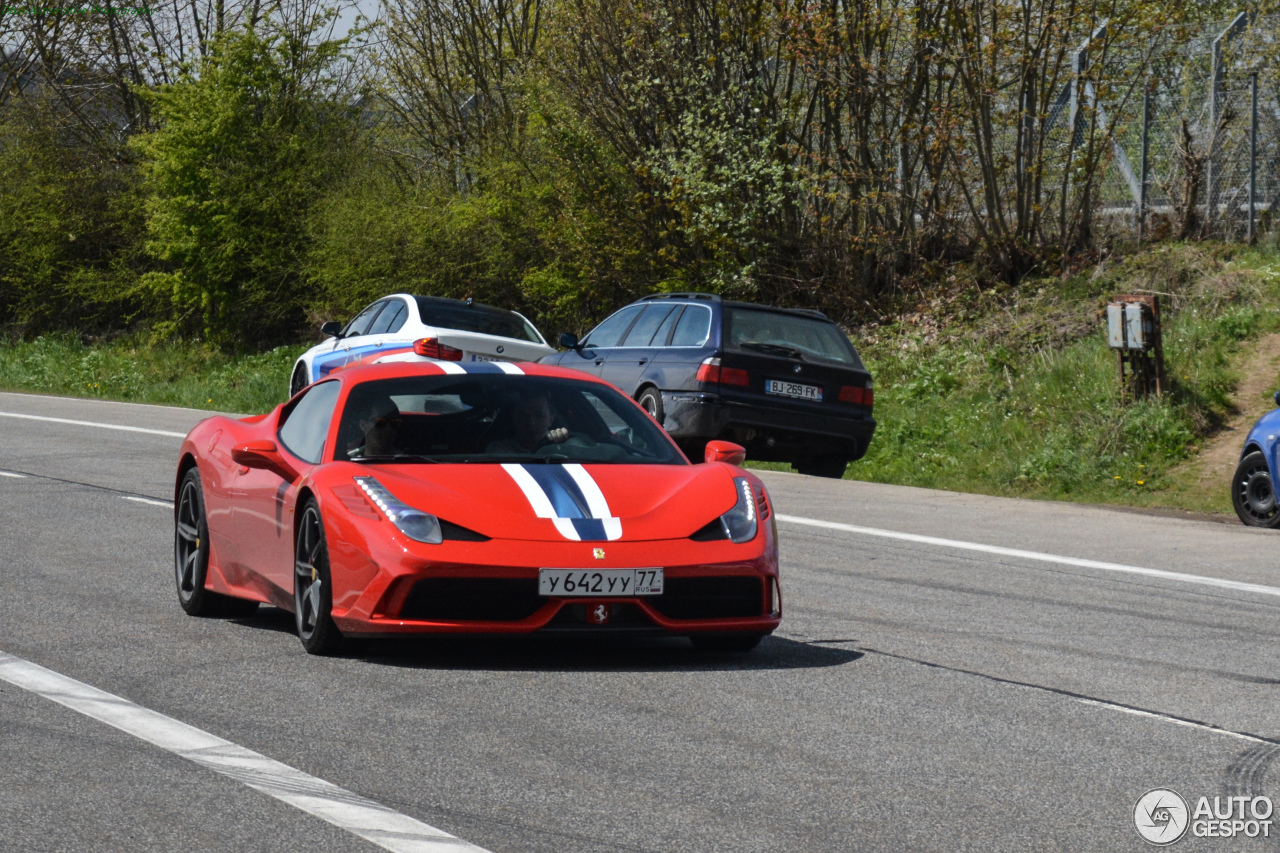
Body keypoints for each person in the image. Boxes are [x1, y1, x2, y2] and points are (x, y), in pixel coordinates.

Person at [485, 392, 569, 455]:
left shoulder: (562, 444)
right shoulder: (500, 450)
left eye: (539, 416)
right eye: (524, 416)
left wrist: (564, 442)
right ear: (515, 420)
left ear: (550, 420)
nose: (531, 422)